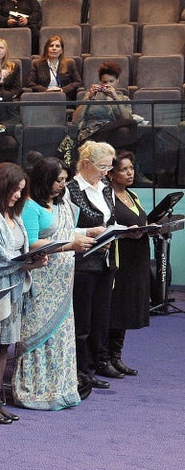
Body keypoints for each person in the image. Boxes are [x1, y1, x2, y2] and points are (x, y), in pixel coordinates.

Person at [13, 157, 88, 411]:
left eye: (65, 180)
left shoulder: (60, 204)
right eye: (58, 180)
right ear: (45, 180)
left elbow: (69, 233)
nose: (62, 185)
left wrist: (95, 233)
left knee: (62, 334)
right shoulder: (30, 206)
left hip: (63, 280)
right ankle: (35, 389)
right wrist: (70, 246)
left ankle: (61, 388)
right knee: (39, 333)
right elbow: (30, 243)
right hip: (42, 279)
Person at [0, 162, 46, 425]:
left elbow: (22, 246)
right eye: (15, 190)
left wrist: (33, 258)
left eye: (21, 191)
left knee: (6, 345)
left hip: (16, 285)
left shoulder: (11, 213)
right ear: (1, 186)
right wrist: (28, 262)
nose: (18, 196)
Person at [67, 141, 117, 390]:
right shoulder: (71, 189)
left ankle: (98, 361)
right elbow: (64, 228)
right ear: (86, 164)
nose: (106, 172)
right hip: (83, 262)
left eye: (109, 166)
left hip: (105, 259)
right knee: (83, 320)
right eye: (102, 166)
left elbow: (110, 218)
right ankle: (81, 369)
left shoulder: (105, 187)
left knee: (101, 316)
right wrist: (90, 231)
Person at [106, 151, 151, 377]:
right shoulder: (107, 197)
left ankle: (116, 356)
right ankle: (104, 358)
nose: (130, 172)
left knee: (126, 309)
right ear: (112, 174)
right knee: (115, 308)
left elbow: (140, 220)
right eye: (124, 169)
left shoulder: (132, 195)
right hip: (118, 259)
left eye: (131, 168)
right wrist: (125, 235)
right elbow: (106, 229)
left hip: (137, 259)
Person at [73, 62, 137, 150]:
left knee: (125, 131)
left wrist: (115, 98)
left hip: (113, 135)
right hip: (92, 133)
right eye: (104, 82)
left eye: (111, 81)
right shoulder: (91, 97)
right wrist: (87, 98)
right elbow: (75, 120)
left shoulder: (123, 99)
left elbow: (127, 118)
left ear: (117, 81)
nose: (108, 84)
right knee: (132, 123)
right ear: (100, 82)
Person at [27, 35, 82, 100]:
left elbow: (78, 82)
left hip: (63, 98)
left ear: (61, 50)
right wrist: (46, 90)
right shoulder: (37, 64)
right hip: (43, 97)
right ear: (46, 49)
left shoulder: (70, 63)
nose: (54, 48)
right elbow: (30, 83)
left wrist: (62, 90)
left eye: (57, 46)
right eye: (51, 46)